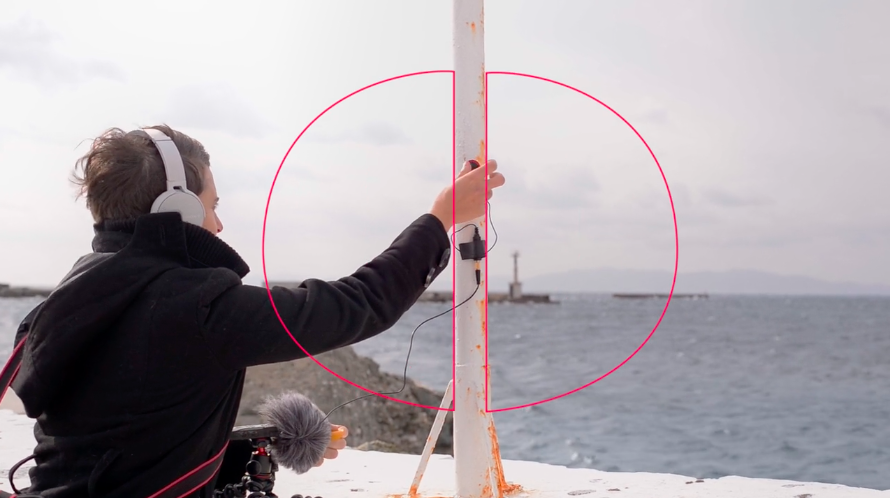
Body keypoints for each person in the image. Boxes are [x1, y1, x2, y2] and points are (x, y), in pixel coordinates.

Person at [7, 124, 505, 497]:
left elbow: (123, 445)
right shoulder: (197, 306)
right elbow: (359, 304)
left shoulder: (64, 304)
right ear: (175, 210)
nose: (219, 225)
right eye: (212, 204)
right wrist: (440, 219)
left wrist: (255, 444)